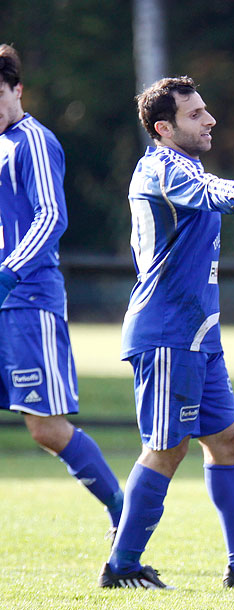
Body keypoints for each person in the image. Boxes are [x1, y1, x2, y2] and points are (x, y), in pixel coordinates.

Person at [97, 76, 234, 590]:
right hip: (168, 331)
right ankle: (122, 567)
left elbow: (216, 194)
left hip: (199, 333)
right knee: (167, 448)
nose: (209, 119)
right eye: (195, 115)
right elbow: (211, 193)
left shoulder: (184, 166)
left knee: (227, 441)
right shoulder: (164, 167)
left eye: (206, 110)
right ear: (163, 128)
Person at [0, 44, 124, 537]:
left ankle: (123, 514)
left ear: (17, 90)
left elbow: (51, 216)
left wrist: (8, 272)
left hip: (26, 301)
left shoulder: (34, 142)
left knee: (45, 429)